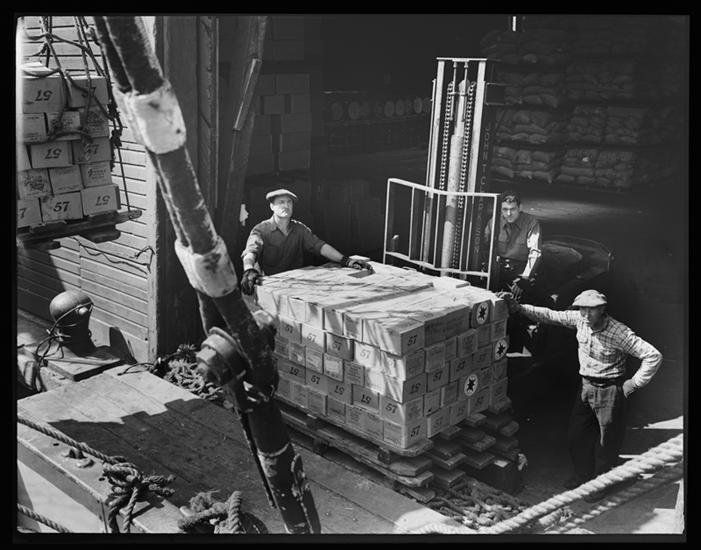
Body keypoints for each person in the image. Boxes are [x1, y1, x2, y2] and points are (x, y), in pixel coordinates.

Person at [501, 289, 663, 502]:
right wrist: (519, 308)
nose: (586, 315)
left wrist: (633, 384)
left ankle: (600, 484)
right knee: (576, 436)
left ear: (602, 310)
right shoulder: (579, 320)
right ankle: (583, 475)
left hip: (609, 390)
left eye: (591, 310)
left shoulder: (619, 332)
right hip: (586, 387)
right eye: (582, 309)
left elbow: (652, 355)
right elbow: (550, 315)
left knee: (606, 443)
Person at [240, 189, 372, 294]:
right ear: (272, 206)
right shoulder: (261, 230)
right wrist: (249, 270)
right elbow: (251, 251)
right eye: (281, 202)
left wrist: (346, 260)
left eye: (289, 202)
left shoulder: (300, 229)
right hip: (268, 287)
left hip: (295, 285)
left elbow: (319, 246)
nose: (286, 205)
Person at [483, 189, 543, 353]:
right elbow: (484, 244)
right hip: (498, 268)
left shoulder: (531, 223)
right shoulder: (494, 221)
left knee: (516, 306)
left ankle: (513, 347)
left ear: (520, 208)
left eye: (513, 209)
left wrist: (524, 279)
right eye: (505, 209)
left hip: (521, 270)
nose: (508, 214)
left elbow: (535, 253)